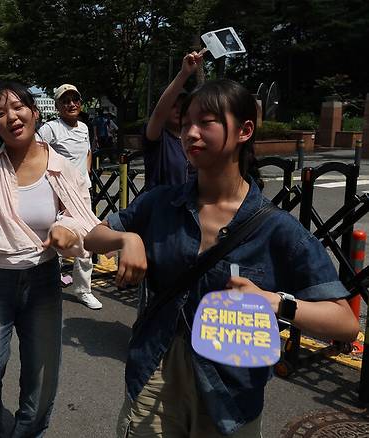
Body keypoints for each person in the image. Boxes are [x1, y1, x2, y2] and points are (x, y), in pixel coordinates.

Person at [84, 77, 359, 437]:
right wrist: (127, 238)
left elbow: (344, 323)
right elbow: (93, 238)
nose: (190, 134)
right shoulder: (161, 203)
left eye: (206, 122)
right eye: (185, 125)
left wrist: (275, 303)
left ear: (245, 130)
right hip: (156, 370)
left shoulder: (276, 229)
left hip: (229, 392)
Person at [0, 82, 99, 437]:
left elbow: (80, 214)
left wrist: (66, 228)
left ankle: (29, 432)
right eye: (0, 113)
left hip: (42, 281)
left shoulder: (62, 167)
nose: (11, 117)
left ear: (35, 112)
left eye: (18, 108)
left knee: (42, 376)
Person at [38, 84, 101, 309]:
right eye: (65, 101)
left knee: (87, 238)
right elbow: (36, 152)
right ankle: (49, 283)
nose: (71, 104)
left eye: (75, 99)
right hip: (57, 192)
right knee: (55, 237)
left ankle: (83, 289)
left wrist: (84, 175)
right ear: (57, 106)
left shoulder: (84, 127)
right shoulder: (50, 128)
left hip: (82, 192)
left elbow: (87, 152)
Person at [143, 52, 203, 191]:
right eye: (172, 105)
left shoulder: (193, 138)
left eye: (182, 106)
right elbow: (158, 114)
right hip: (161, 208)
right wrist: (184, 74)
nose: (178, 110)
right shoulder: (158, 138)